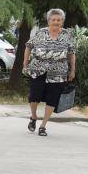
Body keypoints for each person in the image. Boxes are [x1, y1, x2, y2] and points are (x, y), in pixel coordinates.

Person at [22, 8, 75, 136]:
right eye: (53, 20)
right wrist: (25, 63)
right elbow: (28, 47)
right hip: (38, 69)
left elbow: (72, 53)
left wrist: (72, 70)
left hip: (58, 72)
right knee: (34, 95)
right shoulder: (41, 33)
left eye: (59, 20)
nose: (56, 22)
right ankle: (33, 117)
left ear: (62, 22)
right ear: (49, 21)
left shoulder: (67, 35)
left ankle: (43, 126)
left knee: (52, 99)